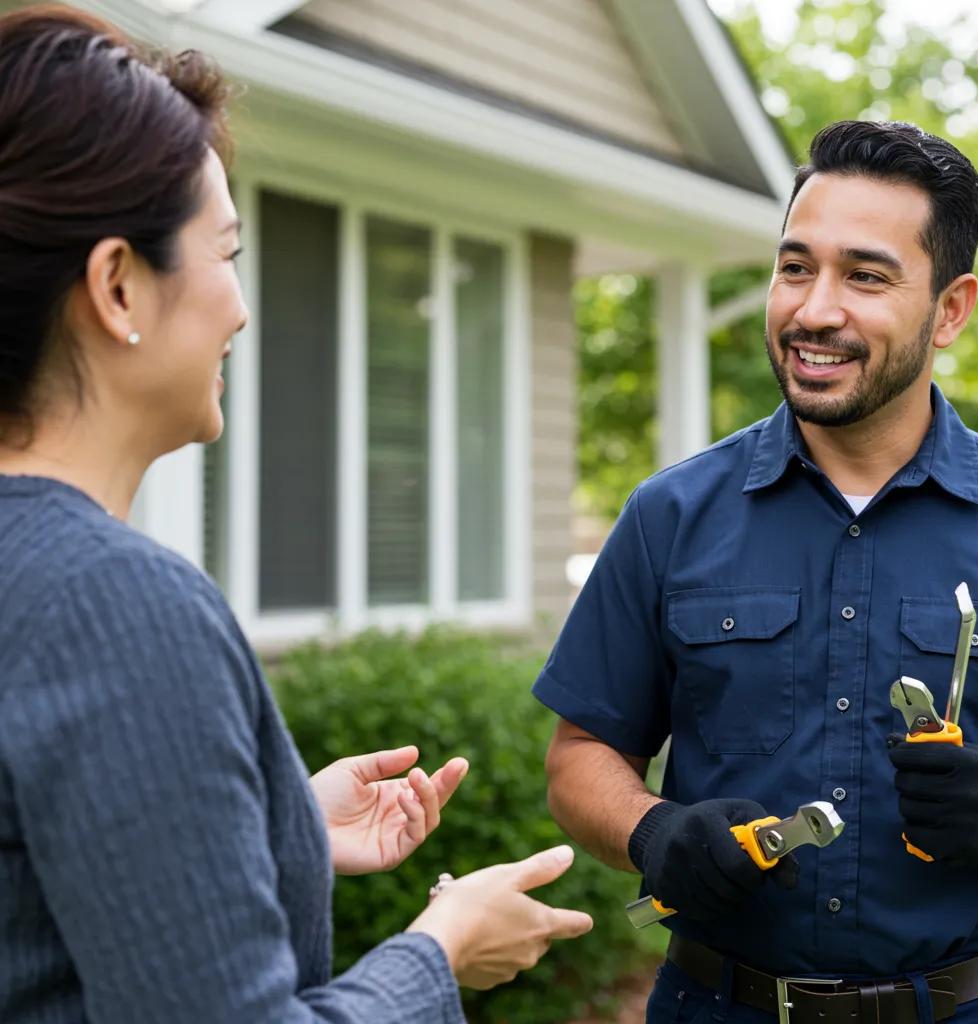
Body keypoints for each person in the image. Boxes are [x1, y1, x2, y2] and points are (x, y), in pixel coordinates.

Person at [0, 6, 592, 1022]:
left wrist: (278, 826)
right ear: (117, 287)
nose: (238, 305)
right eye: (224, 252)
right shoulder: (116, 603)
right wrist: (438, 953)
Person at [534, 118, 978, 1022]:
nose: (813, 309)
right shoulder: (669, 516)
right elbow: (578, 759)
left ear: (951, 309)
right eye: (796, 267)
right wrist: (654, 830)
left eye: (865, 276)